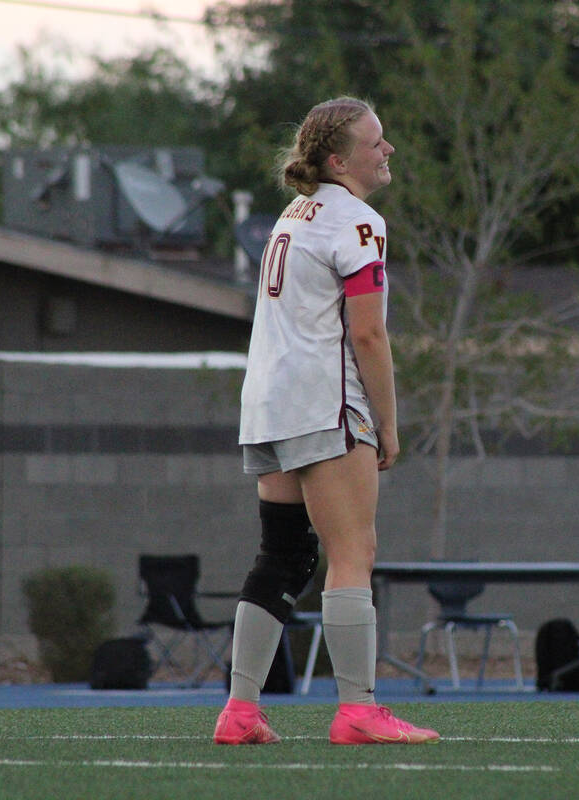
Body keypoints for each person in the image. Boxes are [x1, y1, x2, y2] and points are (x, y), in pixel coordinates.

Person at [213, 96, 438, 746]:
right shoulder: (358, 220)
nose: (388, 149)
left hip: (269, 402)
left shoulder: (294, 212)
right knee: (353, 552)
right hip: (324, 401)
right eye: (376, 141)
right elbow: (367, 334)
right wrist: (388, 425)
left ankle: (241, 711)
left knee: (283, 554)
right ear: (339, 160)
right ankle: (358, 710)